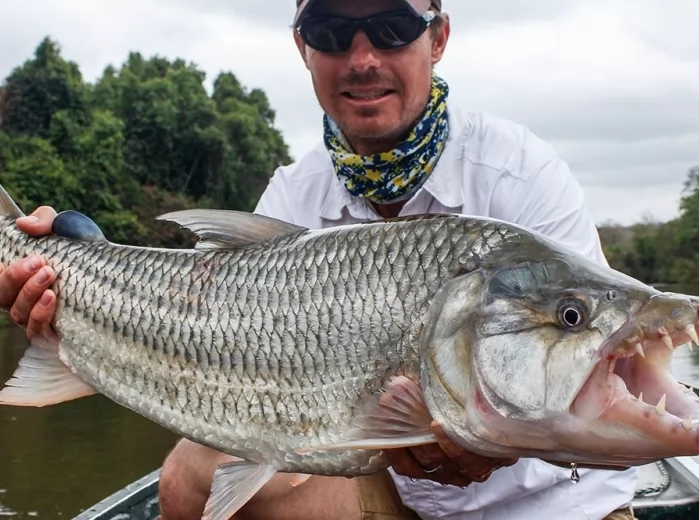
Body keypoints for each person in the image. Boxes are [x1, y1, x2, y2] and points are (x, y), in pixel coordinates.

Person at [0, 0, 639, 518]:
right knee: (190, 477)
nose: (362, 59)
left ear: (438, 37)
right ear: (302, 47)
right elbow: (201, 328)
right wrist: (76, 268)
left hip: (553, 507)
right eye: (331, 32)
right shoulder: (293, 194)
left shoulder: (523, 176)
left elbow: (595, 375)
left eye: (392, 28)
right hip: (390, 496)